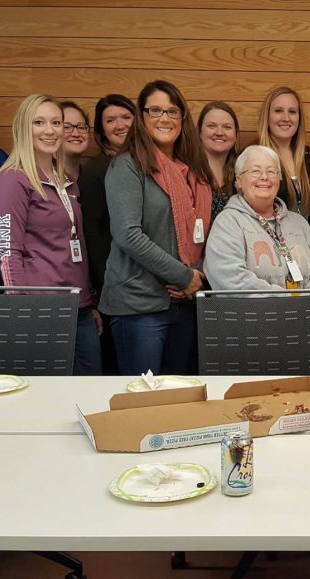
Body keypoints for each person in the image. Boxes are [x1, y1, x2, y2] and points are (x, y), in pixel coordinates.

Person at [100, 80, 213, 375]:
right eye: (155, 111)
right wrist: (184, 275)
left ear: (182, 118)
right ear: (142, 116)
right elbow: (128, 234)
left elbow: (199, 234)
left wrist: (194, 275)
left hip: (184, 304)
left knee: (177, 401)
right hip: (139, 306)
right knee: (143, 402)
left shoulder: (192, 171)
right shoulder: (128, 165)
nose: (165, 118)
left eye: (172, 111)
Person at [0, 94, 101, 375]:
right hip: (41, 308)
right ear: (22, 128)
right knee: (50, 395)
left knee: (89, 389)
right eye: (38, 122)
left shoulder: (66, 180)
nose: (49, 130)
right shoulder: (13, 180)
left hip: (79, 306)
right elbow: (8, 252)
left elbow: (75, 244)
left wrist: (89, 301)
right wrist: (23, 310)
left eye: (56, 122)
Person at [204, 145, 310, 308]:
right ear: (239, 180)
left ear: (279, 179)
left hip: (303, 325)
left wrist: (308, 307)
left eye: (271, 171)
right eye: (255, 171)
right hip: (251, 327)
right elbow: (230, 279)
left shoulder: (299, 223)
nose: (264, 177)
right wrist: (289, 305)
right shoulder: (227, 223)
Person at [78, 94, 136, 375]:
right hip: (114, 285)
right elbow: (94, 232)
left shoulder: (150, 165)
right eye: (111, 120)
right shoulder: (95, 170)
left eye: (126, 117)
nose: (120, 125)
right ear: (101, 130)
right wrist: (105, 285)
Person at [257, 86, 310, 229]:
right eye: (278, 111)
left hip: (307, 247)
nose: (286, 118)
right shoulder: (254, 158)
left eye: (292, 112)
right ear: (267, 116)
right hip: (269, 247)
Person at [197, 101, 241, 221]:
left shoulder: (243, 174)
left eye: (227, 127)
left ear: (236, 135)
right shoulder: (187, 174)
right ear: (200, 132)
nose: (219, 132)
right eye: (212, 126)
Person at [60, 101, 91, 179]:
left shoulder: (91, 177)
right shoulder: (38, 180)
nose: (76, 134)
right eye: (66, 127)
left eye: (81, 127)